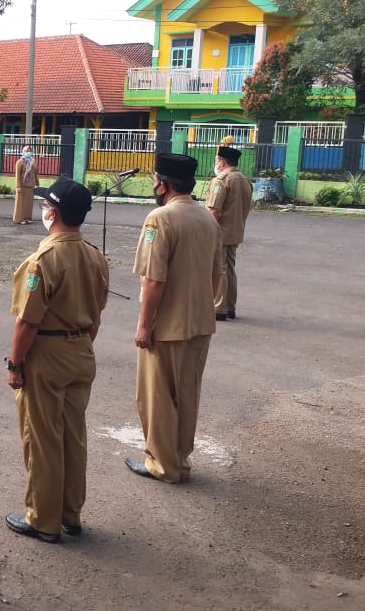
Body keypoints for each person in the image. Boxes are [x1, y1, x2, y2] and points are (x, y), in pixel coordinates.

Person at [4, 180, 109, 544]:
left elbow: (27, 322)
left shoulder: (44, 259)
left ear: (54, 213)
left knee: (43, 439)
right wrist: (78, 344)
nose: (43, 211)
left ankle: (43, 519)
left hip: (47, 354)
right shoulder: (95, 255)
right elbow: (96, 315)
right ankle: (69, 513)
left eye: (45, 206)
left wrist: (15, 364)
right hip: (81, 349)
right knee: (73, 437)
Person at [125, 153, 225, 484]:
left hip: (167, 325)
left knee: (157, 397)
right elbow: (217, 274)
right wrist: (201, 307)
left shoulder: (160, 218)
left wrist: (144, 325)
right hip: (199, 322)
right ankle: (179, 458)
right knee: (186, 393)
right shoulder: (207, 218)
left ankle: (163, 464)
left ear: (163, 185)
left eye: (155, 180)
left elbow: (154, 280)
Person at [207, 146, 253, 321]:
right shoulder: (245, 180)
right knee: (230, 269)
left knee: (219, 269)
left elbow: (214, 211)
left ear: (221, 162)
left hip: (220, 232)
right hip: (236, 231)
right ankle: (230, 306)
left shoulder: (221, 180)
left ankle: (219, 308)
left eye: (216, 161)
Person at [13, 145, 40, 224]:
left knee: (29, 203)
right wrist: (18, 186)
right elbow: (17, 175)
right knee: (21, 203)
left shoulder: (33, 161)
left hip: (31, 185)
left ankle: (27, 218)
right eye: (26, 151)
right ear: (23, 152)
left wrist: (37, 183)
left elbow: (35, 173)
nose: (28, 152)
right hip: (23, 185)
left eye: (29, 151)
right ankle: (20, 219)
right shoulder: (20, 162)